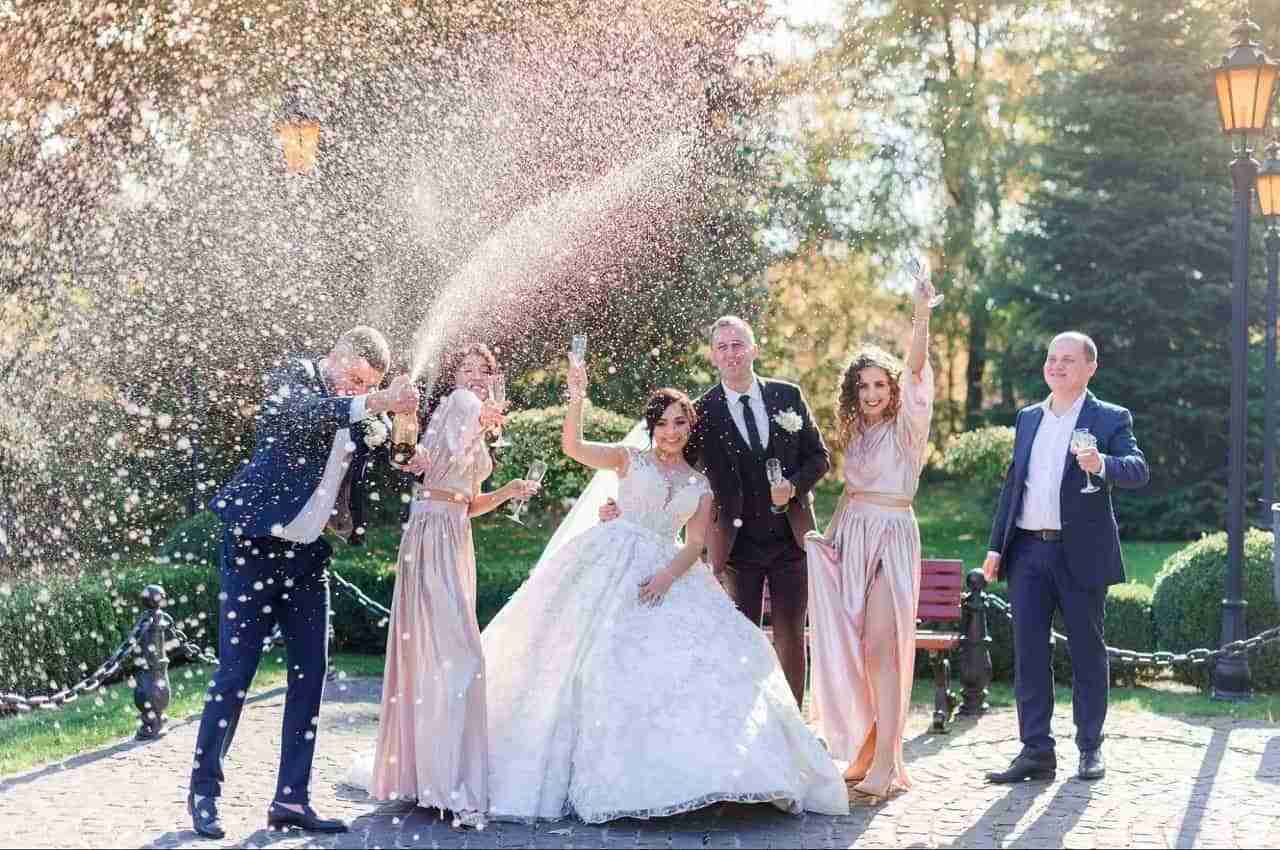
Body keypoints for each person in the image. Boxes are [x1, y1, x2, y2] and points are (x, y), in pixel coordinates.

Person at [476, 360, 848, 823]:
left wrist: (667, 578)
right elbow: (572, 446)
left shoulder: (701, 484)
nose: (671, 432)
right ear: (650, 425)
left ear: (691, 427)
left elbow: (694, 543)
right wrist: (576, 396)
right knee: (592, 658)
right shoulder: (626, 460)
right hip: (611, 560)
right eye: (663, 422)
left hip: (669, 570)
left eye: (680, 422)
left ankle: (709, 773)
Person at [188, 326, 418, 839]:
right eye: (354, 378)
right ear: (335, 356)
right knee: (235, 673)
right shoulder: (294, 377)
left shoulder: (358, 409)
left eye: (367, 384)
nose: (357, 390)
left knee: (311, 676)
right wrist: (375, 400)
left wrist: (404, 435)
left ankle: (291, 800)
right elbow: (301, 418)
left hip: (309, 559)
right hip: (252, 547)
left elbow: (378, 460)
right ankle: (204, 792)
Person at [349, 342, 539, 829]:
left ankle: (430, 777)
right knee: (460, 655)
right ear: (457, 377)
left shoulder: (472, 420)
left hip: (455, 533)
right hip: (432, 533)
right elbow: (442, 458)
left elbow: (468, 501)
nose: (476, 377)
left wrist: (510, 491)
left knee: (439, 654)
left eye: (485, 371)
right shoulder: (461, 405)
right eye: (469, 369)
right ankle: (452, 784)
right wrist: (485, 418)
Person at [983, 331, 1148, 784]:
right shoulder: (1028, 418)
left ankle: (1090, 748)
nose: (1056, 366)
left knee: (1087, 653)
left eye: (1068, 360)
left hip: (1081, 554)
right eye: (1052, 358)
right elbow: (1013, 487)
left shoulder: (1110, 418)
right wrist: (996, 547)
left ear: (1090, 368)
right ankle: (1036, 751)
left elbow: (1139, 469)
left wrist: (1104, 466)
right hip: (1027, 552)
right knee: (1029, 655)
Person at [803, 271, 938, 798]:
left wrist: (920, 315)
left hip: (891, 536)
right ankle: (866, 752)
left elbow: (918, 368)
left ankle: (887, 764)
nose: (872, 393)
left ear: (894, 389)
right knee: (861, 650)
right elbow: (850, 492)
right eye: (864, 386)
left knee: (883, 647)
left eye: (881, 384)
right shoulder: (856, 433)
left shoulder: (909, 428)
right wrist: (828, 539)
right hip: (853, 535)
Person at [683, 315, 830, 707]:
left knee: (790, 637)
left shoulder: (787, 396)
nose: (731, 353)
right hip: (735, 547)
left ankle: (793, 725)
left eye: (738, 344)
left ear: (754, 349)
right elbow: (680, 473)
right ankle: (745, 727)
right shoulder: (702, 412)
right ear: (713, 356)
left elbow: (820, 458)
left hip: (791, 540)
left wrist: (793, 486)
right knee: (741, 639)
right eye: (723, 347)